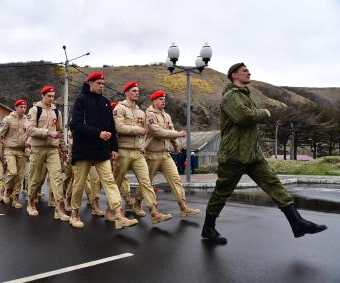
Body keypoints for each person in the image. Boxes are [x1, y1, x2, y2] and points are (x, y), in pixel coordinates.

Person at [201, 63, 327, 245]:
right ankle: (208, 229)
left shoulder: (245, 96)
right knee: (222, 193)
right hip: (234, 156)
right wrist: (264, 112)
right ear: (234, 75)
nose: (249, 73)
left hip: (253, 154)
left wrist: (256, 114)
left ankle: (297, 223)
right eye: (245, 71)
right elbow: (243, 117)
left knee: (274, 184)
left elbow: (249, 117)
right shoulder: (230, 97)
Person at [69, 72, 138, 229]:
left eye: (103, 83)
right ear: (90, 83)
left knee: (110, 182)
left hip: (101, 150)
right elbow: (76, 124)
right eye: (99, 83)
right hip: (84, 149)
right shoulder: (81, 100)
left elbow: (111, 127)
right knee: (79, 184)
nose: (101, 86)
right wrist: (97, 133)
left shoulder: (106, 102)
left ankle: (119, 215)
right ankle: (74, 214)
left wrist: (114, 147)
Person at [112, 82, 172, 224]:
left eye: (137, 91)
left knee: (146, 181)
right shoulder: (119, 109)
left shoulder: (140, 112)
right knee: (117, 182)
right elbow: (118, 127)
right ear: (126, 93)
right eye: (133, 91)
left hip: (138, 152)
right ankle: (113, 211)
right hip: (123, 151)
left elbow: (146, 130)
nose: (136, 93)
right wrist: (136, 129)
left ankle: (154, 211)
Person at [144, 90, 200, 217]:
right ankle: (137, 203)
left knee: (176, 179)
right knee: (146, 182)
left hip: (165, 154)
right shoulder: (149, 115)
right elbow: (157, 132)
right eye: (160, 99)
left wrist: (175, 145)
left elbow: (170, 131)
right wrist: (178, 134)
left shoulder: (167, 116)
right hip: (151, 154)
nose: (163, 101)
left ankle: (183, 207)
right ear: (153, 101)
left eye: (164, 99)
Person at [26, 85, 69, 221]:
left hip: (53, 150)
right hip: (38, 149)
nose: (51, 98)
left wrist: (64, 150)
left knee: (57, 178)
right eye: (49, 96)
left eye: (53, 96)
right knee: (36, 178)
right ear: (42, 96)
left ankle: (59, 209)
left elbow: (61, 132)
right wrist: (48, 132)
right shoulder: (34, 110)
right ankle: (31, 202)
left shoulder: (57, 112)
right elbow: (30, 129)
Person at [0, 99, 29, 208]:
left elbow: (29, 135)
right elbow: (0, 134)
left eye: (25, 107)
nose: (23, 109)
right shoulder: (8, 119)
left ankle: (15, 199)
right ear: (16, 107)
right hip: (9, 150)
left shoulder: (26, 120)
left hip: (22, 151)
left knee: (20, 176)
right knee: (13, 172)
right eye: (21, 107)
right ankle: (6, 191)